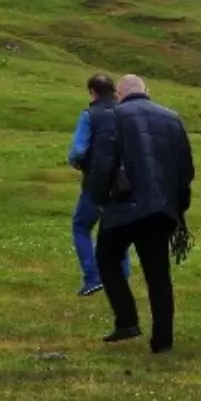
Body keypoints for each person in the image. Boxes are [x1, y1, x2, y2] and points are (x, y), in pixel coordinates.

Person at [88, 75, 193, 354]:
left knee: (107, 258)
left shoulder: (113, 116)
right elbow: (186, 168)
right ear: (146, 91)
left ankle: (127, 319)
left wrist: (97, 198)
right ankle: (163, 339)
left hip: (124, 205)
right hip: (160, 208)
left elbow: (102, 163)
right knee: (158, 272)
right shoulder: (172, 118)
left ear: (120, 94)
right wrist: (178, 206)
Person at [67, 73, 129, 297]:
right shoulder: (125, 112)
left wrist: (78, 164)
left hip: (96, 183)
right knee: (118, 230)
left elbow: (77, 151)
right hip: (124, 184)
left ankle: (93, 277)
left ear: (92, 92)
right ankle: (121, 277)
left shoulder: (89, 115)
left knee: (81, 226)